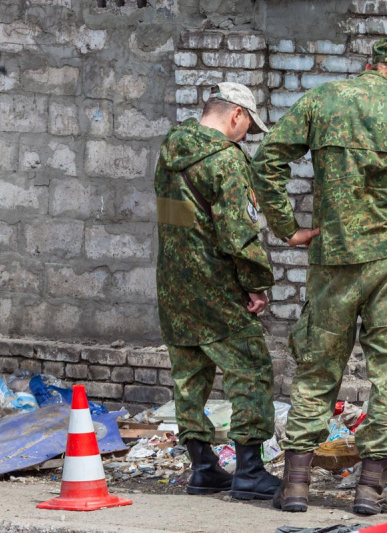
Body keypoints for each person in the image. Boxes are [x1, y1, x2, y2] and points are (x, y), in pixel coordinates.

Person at [252, 38, 387, 515]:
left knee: (316, 365)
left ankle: (295, 487)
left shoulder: (320, 100)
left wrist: (287, 227)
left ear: (369, 66)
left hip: (332, 258)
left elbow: (266, 160)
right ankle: (370, 489)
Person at [154, 82, 281, 500]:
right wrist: (257, 284)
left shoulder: (169, 152)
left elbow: (176, 219)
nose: (247, 136)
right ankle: (249, 473)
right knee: (251, 370)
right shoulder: (226, 161)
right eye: (248, 127)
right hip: (216, 288)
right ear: (236, 116)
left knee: (189, 377)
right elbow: (238, 234)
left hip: (174, 287)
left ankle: (203, 468)